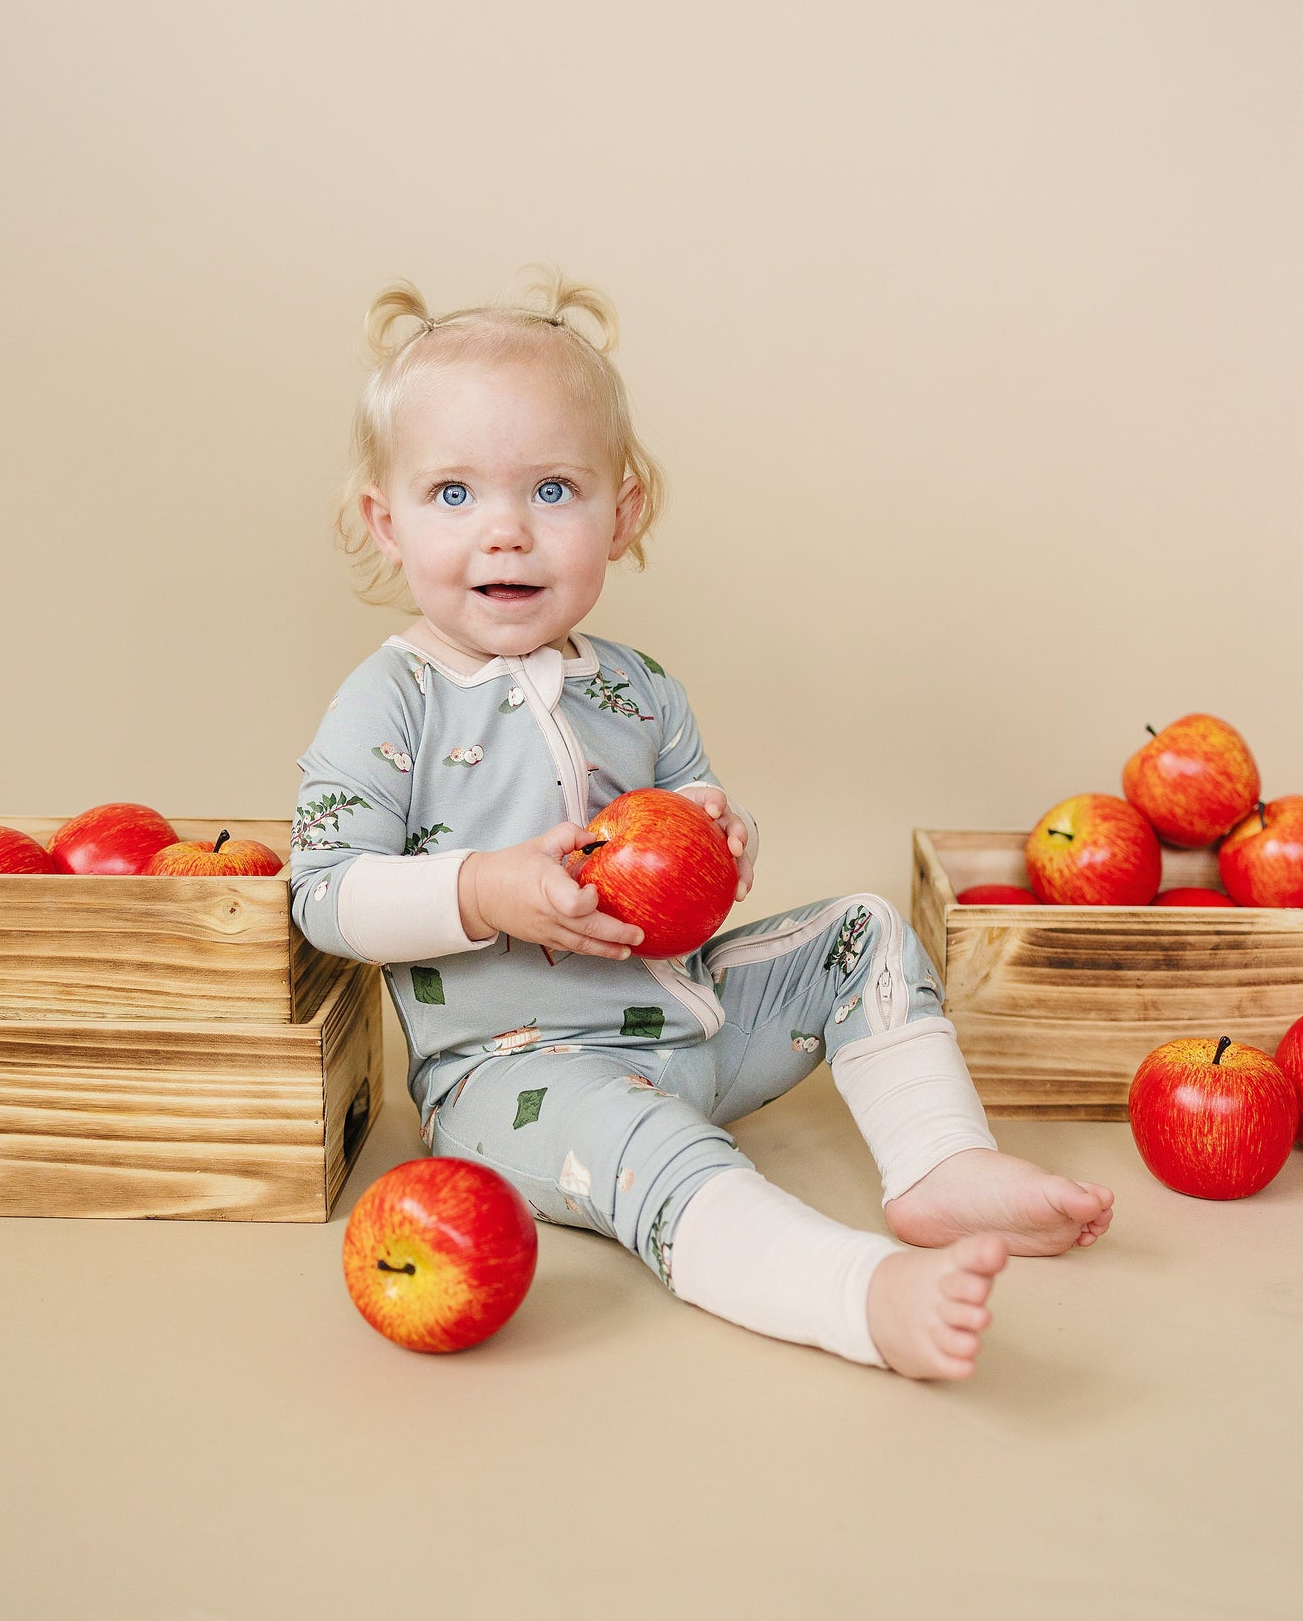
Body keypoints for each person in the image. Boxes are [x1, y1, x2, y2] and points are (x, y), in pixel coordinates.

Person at [290, 272, 1113, 1379]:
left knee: (862, 926)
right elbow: (326, 894)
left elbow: (700, 852)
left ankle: (938, 1161)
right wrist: (480, 889)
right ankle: (852, 1293)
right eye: (451, 494)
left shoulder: (639, 689)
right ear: (382, 522)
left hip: (693, 1020)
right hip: (518, 1073)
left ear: (621, 512)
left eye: (550, 489)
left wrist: (722, 839)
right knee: (656, 1147)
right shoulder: (391, 701)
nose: (504, 533)